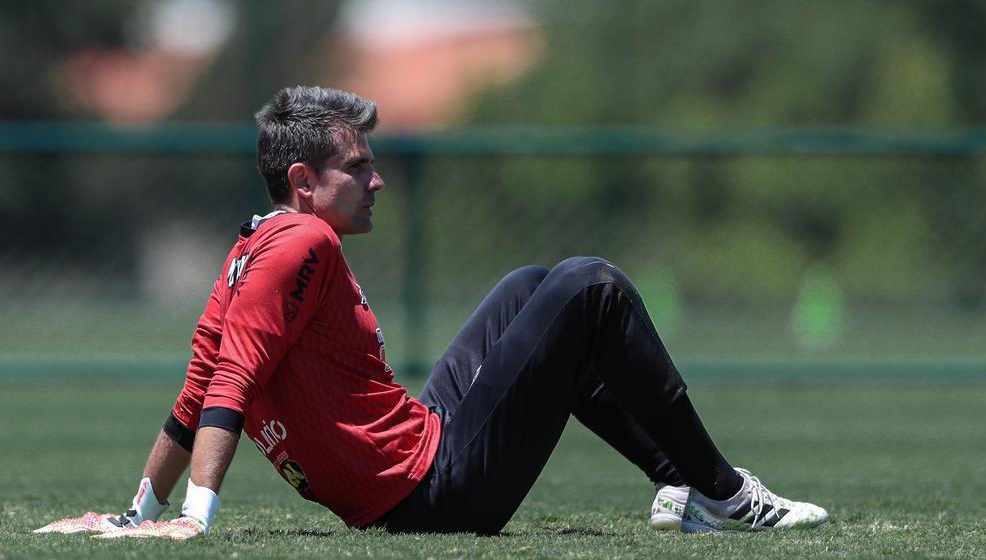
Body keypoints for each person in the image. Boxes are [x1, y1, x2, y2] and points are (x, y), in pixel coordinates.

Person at [35, 85, 828, 541]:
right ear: (303, 181)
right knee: (591, 283)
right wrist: (196, 517)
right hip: (436, 493)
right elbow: (227, 385)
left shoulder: (248, 246)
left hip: (423, 454)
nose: (376, 181)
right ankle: (724, 490)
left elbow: (195, 392)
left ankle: (676, 479)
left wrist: (138, 512)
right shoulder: (305, 240)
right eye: (358, 167)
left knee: (528, 287)